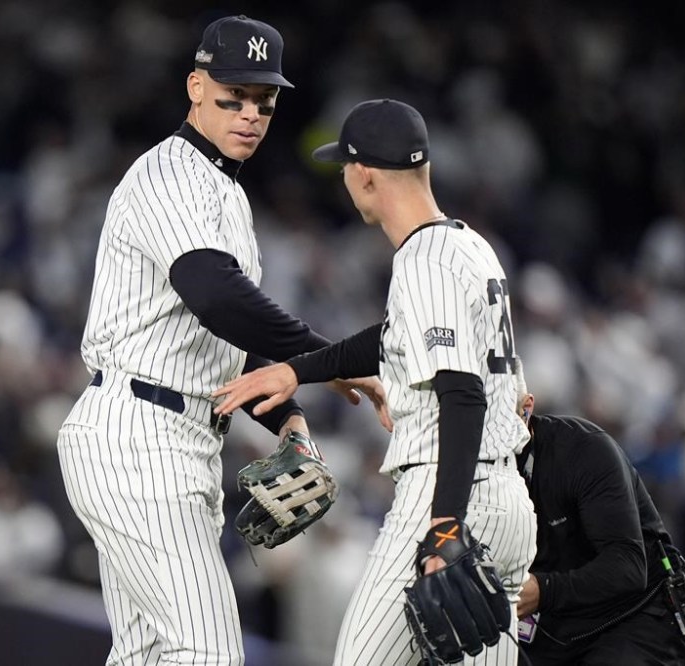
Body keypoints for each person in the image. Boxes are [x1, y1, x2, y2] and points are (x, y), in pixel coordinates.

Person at [56, 15, 382, 665]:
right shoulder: (171, 174)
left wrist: (290, 420)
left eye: (263, 101)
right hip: (137, 435)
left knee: (148, 655)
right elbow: (215, 294)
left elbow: (227, 340)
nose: (249, 114)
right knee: (206, 653)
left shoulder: (227, 198)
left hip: (181, 439)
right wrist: (323, 359)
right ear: (195, 88)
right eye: (232, 97)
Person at [213, 99, 536, 664]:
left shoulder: (423, 258)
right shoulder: (470, 245)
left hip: (446, 497)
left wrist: (444, 527)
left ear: (363, 174)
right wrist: (299, 368)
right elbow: (391, 336)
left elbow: (462, 393)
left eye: (344, 166)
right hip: (508, 506)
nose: (343, 178)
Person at [514, 392, 685, 665]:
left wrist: (545, 590)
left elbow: (628, 565)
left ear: (526, 409)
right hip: (551, 631)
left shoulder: (583, 450)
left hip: (632, 615)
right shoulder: (462, 472)